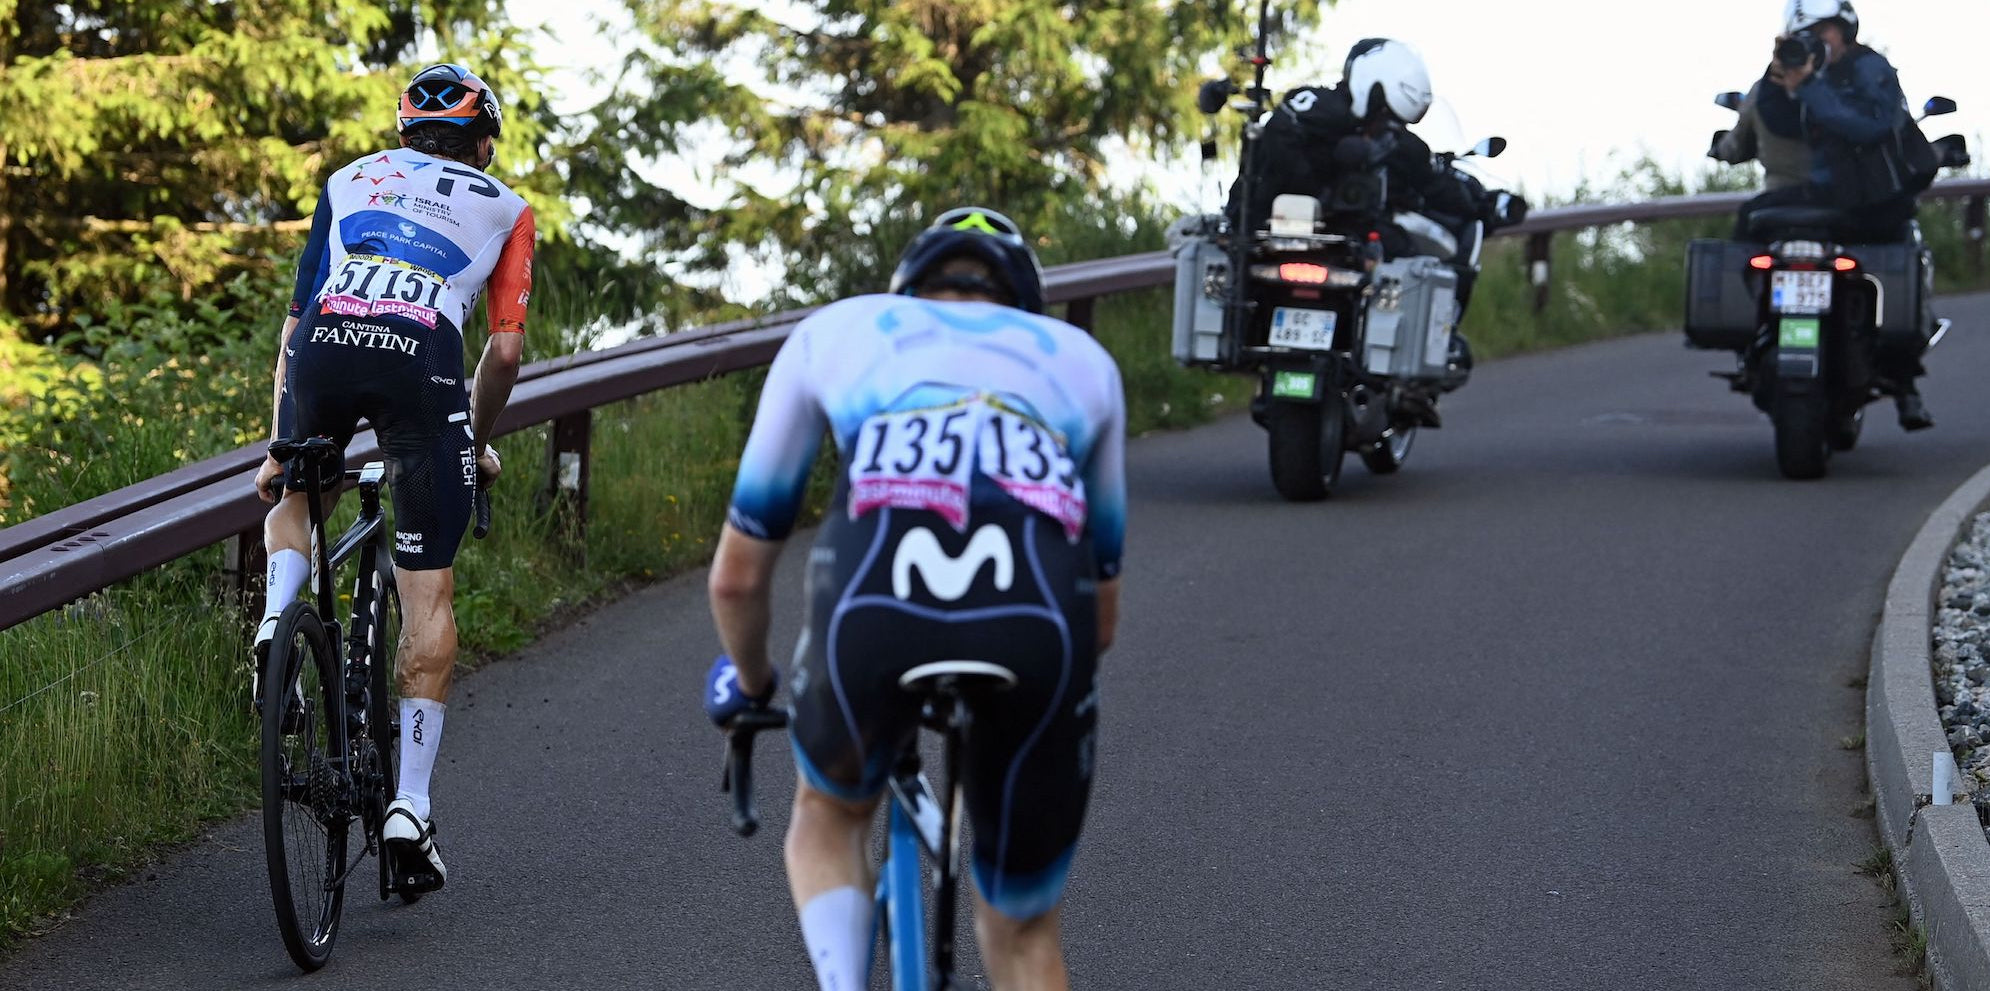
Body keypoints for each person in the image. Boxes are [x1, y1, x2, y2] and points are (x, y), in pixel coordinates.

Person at [703, 207, 1126, 991]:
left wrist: (754, 681)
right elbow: (1102, 612)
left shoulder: (839, 330)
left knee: (827, 814)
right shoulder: (1084, 361)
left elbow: (736, 575)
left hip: (871, 601)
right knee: (1024, 929)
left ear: (910, 287)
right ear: (1022, 300)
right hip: (1039, 623)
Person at [252, 62, 535, 891]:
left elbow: (295, 323)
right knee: (427, 587)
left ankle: (276, 621)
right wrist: (471, 445)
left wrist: (282, 440)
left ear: (404, 132)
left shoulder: (347, 180)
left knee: (301, 487)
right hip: (423, 362)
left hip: (329, 347)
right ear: (484, 144)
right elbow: (507, 349)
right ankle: (410, 803)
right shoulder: (508, 207)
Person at [1735, 0, 1933, 429]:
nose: (1816, 43)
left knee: (1904, 259)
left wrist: (1808, 85)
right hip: (1827, 196)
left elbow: (1867, 126)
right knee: (1750, 220)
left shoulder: (1870, 69)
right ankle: (1752, 334)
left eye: (1823, 32)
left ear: (1845, 30)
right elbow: (1780, 132)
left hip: (1875, 201)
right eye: (1806, 36)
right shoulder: (1802, 74)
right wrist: (1778, 81)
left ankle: (1905, 381)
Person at [1710, 80, 1811, 191]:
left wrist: (1718, 149)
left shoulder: (1760, 94)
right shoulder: (1822, 82)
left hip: (1786, 190)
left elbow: (1734, 147)